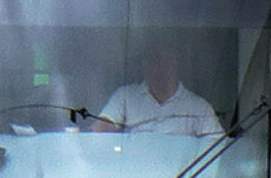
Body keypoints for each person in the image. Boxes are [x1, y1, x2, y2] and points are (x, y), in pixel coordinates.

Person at [90, 40, 220, 136]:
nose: (159, 67)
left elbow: (216, 148)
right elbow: (100, 131)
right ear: (144, 64)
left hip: (187, 167)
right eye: (154, 60)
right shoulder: (124, 97)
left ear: (176, 64)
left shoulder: (199, 108)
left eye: (166, 60)